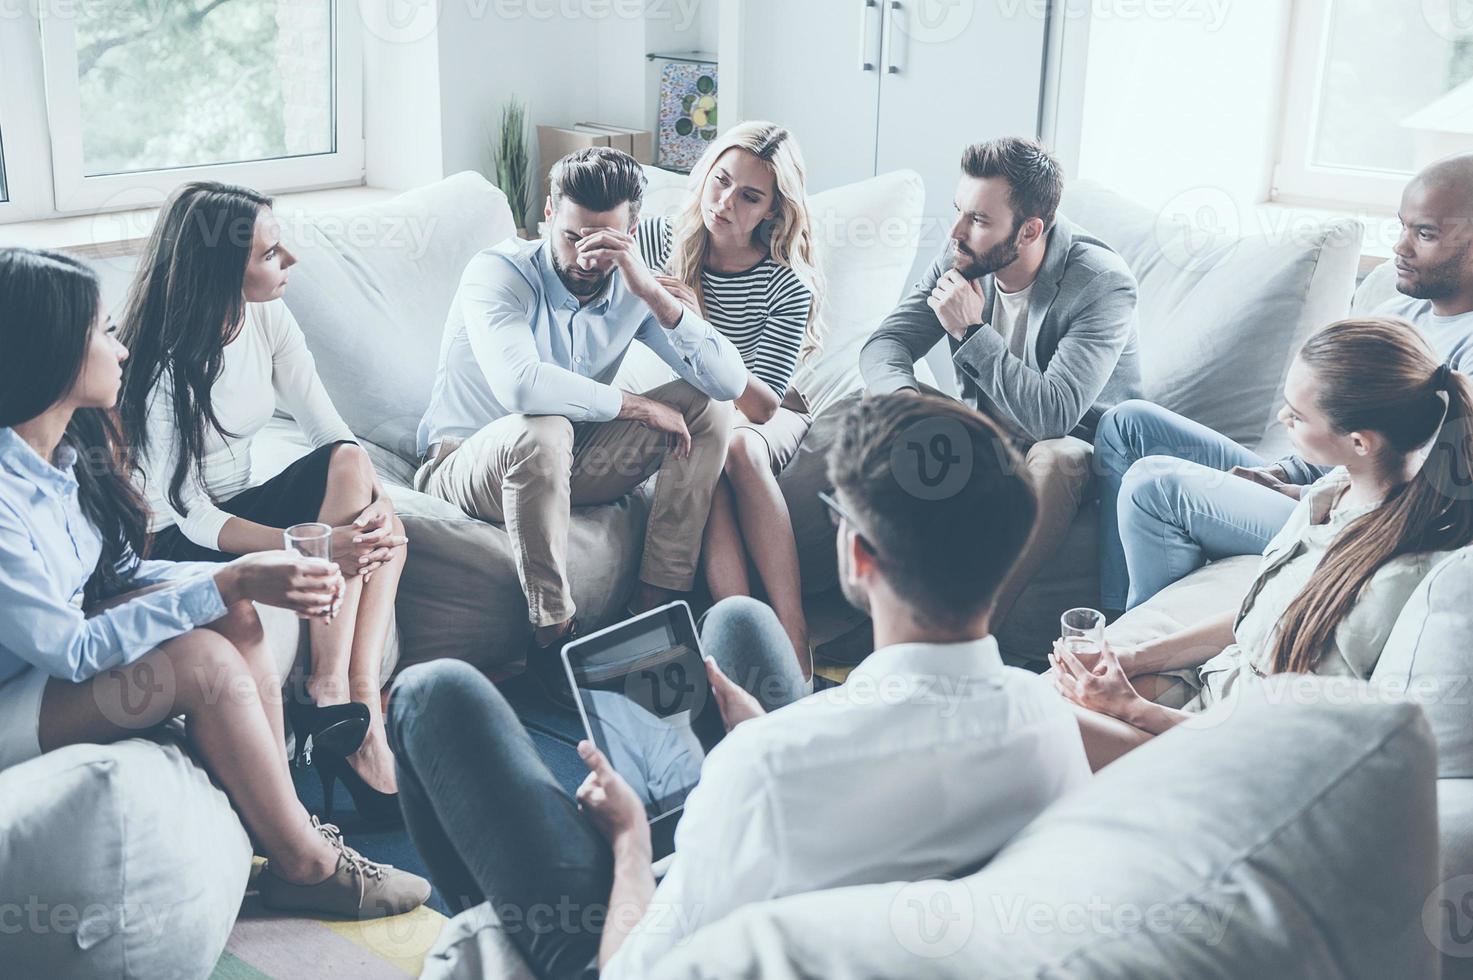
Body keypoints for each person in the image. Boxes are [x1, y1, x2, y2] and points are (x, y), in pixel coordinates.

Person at [389, 392, 1090, 979]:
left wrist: (631, 838)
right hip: (829, 879)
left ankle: (502, 942)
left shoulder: (767, 769)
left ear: (856, 554)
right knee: (739, 619)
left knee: (434, 693)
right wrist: (763, 736)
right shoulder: (1048, 722)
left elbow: (634, 971)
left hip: (639, 938)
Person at [0, 247, 429, 918]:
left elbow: (117, 574)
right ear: (51, 349)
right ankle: (310, 867)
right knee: (201, 660)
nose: (121, 350)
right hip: (11, 698)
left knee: (237, 616)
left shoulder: (66, 454)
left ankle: (285, 819)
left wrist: (238, 583)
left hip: (37, 669)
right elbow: (69, 650)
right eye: (104, 333)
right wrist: (229, 580)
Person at [1054, 317, 1473, 770]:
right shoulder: (1336, 490)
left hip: (1229, 751)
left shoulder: (1391, 581)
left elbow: (1277, 746)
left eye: (1296, 416)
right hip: (1212, 692)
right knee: (1052, 699)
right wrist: (1133, 658)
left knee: (1043, 732)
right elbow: (1260, 617)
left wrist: (1132, 710)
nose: (1281, 418)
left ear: (1360, 442)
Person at [116, 182, 406, 820]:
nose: (290, 262)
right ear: (222, 268)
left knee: (381, 520)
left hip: (242, 500)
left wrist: (378, 506)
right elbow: (192, 512)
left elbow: (332, 434)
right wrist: (312, 546)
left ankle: (350, 699)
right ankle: (336, 710)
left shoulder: (266, 312)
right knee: (353, 540)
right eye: (271, 254)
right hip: (184, 536)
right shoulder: (164, 360)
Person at [413, 146, 748, 684]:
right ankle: (554, 641)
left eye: (605, 243)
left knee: (708, 407)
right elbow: (522, 386)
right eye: (573, 237)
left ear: (631, 233)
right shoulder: (498, 273)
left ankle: (651, 610)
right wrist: (637, 406)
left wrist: (656, 298)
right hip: (464, 467)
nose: (586, 258)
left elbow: (729, 382)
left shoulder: (631, 286)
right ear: (548, 214)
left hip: (567, 463)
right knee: (545, 426)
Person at [1095, 154, 1473, 612]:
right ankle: (1113, 613)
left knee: (1156, 485)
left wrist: (1305, 494)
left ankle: (1139, 639)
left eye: (1424, 233)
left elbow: (1421, 490)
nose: (1400, 247)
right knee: (1129, 425)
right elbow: (1345, 423)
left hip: (1359, 522)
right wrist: (1283, 472)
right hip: (1323, 483)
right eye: (1403, 227)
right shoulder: (1398, 310)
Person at [859, 136, 1141, 623]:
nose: (956, 231)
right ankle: (878, 615)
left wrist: (972, 331)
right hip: (984, 438)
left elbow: (1053, 417)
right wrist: (905, 407)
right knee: (870, 403)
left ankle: (973, 628)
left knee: (1060, 457)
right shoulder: (963, 256)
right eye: (959, 210)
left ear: (1030, 231)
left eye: (979, 220)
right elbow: (885, 346)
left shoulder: (1102, 284)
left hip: (1070, 450)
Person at [636, 121, 824, 681]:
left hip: (773, 412)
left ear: (773, 210)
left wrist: (696, 328)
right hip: (706, 417)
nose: (725, 203)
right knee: (709, 450)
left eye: (749, 197)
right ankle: (739, 646)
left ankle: (793, 638)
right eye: (720, 182)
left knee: (735, 447)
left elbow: (762, 405)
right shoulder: (655, 240)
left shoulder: (786, 283)